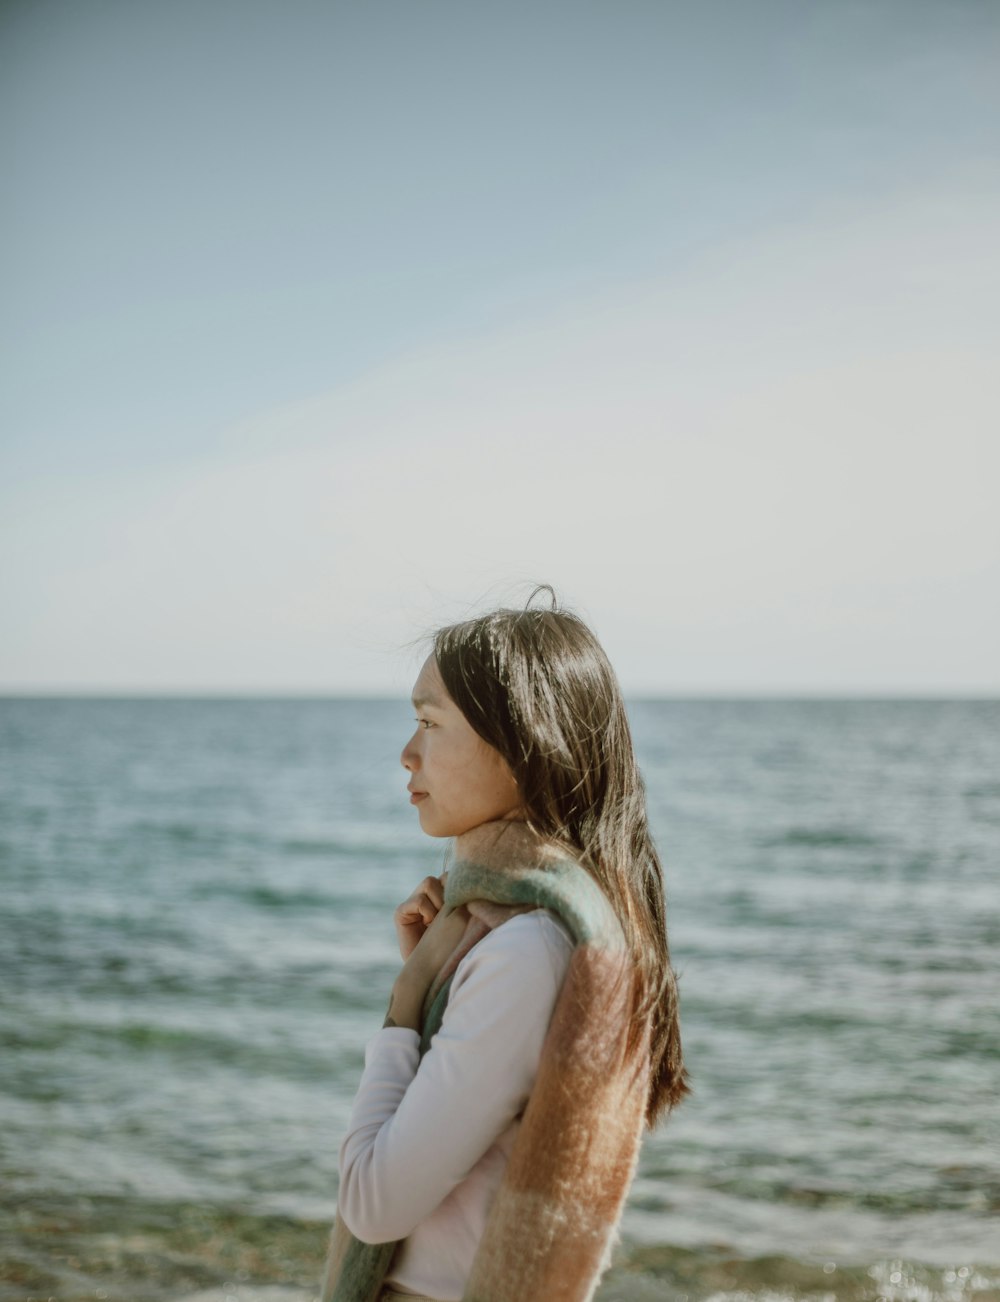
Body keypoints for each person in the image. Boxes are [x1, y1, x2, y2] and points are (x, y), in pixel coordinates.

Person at [322, 590, 688, 1302]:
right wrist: (438, 982)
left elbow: (371, 1205)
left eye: (430, 722)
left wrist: (404, 1006)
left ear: (522, 748)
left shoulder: (527, 949)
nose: (406, 754)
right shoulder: (539, 931)